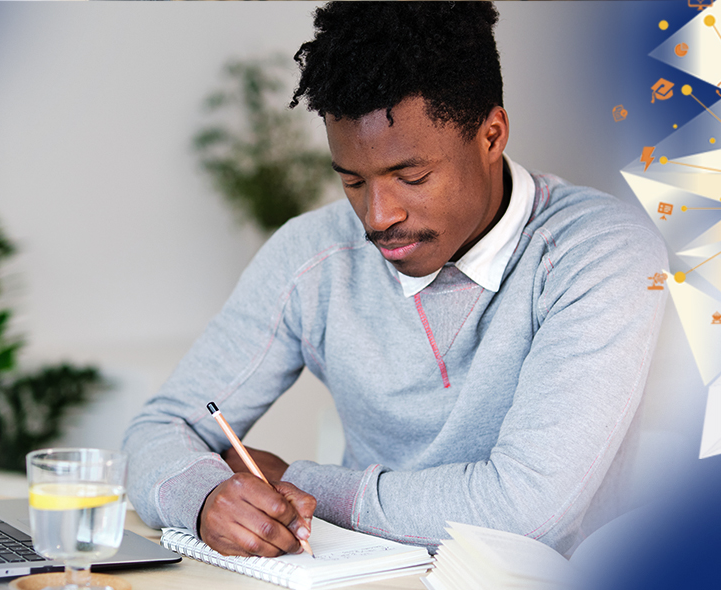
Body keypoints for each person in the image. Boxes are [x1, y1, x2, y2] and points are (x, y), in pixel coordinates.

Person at [123, 1, 667, 559]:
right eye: (353, 181)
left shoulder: (598, 251)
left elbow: (526, 511)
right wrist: (206, 496)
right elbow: (157, 429)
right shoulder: (314, 256)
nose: (378, 216)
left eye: (411, 176)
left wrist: (299, 481)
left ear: (492, 136)